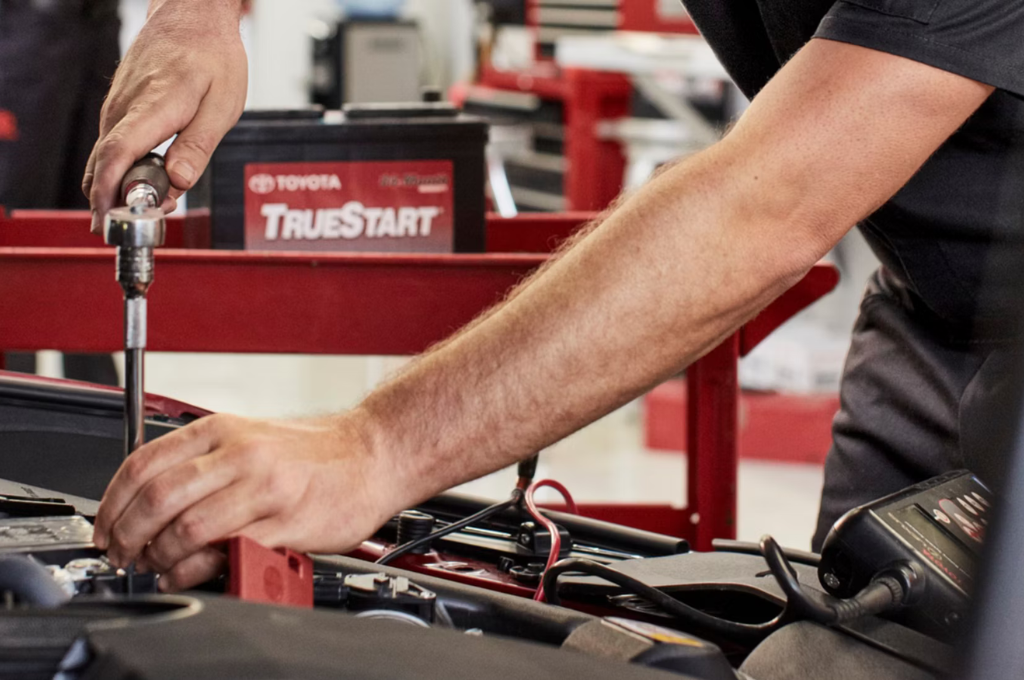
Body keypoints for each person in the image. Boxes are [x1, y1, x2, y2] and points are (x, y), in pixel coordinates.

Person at [85, 0, 1023, 592]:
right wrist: (201, 13)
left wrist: (373, 449)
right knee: (850, 637)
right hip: (929, 306)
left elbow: (771, 204)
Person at [0, 0, 122, 385]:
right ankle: (13, 397)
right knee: (16, 220)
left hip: (98, 23)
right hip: (24, 24)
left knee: (94, 206)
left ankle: (96, 402)